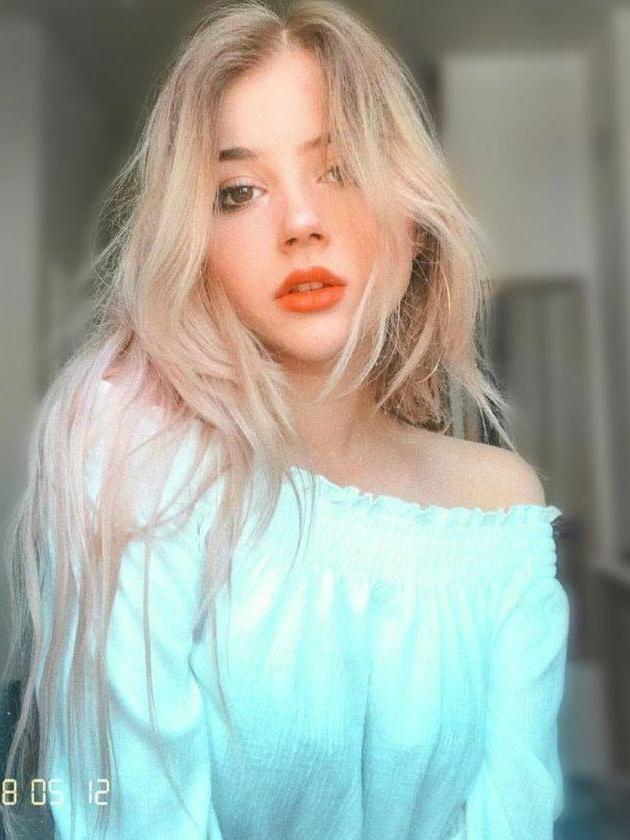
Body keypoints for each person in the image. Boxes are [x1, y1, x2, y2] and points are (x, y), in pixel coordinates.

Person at [1, 1, 570, 838]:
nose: (300, 224)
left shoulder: (499, 513)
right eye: (239, 192)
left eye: (339, 169)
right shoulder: (140, 464)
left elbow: (513, 816)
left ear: (412, 217)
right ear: (195, 244)